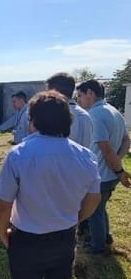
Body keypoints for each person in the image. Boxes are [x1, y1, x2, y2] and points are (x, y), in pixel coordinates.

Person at [0, 90, 101, 279]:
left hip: (26, 238)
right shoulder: (85, 156)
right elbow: (94, 198)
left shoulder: (19, 154)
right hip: (64, 237)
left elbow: (4, 203)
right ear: (67, 121)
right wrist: (76, 219)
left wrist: (2, 231)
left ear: (33, 121)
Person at [76, 79, 131, 253]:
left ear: (90, 93)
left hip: (101, 174)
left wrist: (118, 169)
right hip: (110, 174)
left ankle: (97, 247)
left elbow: (105, 149)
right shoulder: (114, 111)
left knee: (94, 212)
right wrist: (117, 162)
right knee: (100, 208)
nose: (79, 101)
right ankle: (106, 238)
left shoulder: (95, 114)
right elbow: (126, 140)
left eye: (80, 96)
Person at [46, 72, 94, 243]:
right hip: (79, 177)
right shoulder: (86, 115)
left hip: (57, 177)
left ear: (56, 91)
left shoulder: (55, 116)